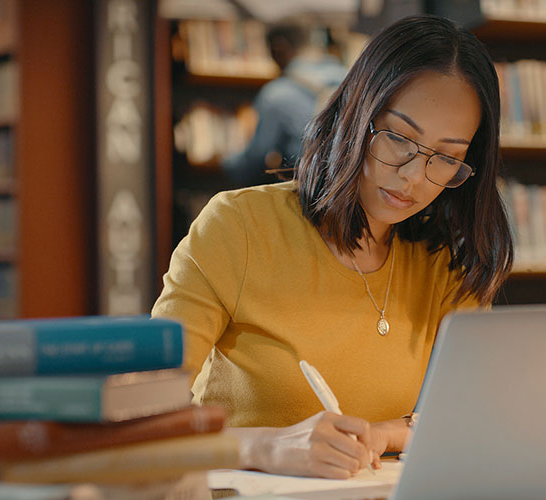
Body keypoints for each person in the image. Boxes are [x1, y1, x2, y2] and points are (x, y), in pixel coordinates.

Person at [152, 14, 512, 479]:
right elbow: (144, 418)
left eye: (446, 158)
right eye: (400, 138)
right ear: (356, 113)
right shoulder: (239, 227)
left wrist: (383, 434)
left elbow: (468, 417)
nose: (413, 177)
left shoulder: (446, 263)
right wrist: (267, 446)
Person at [219, 22, 347, 187]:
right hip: (348, 191)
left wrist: (227, 164)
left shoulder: (277, 94)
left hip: (307, 193)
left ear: (278, 47)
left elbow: (255, 159)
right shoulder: (352, 79)